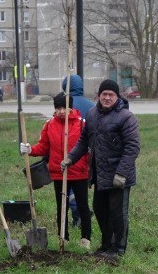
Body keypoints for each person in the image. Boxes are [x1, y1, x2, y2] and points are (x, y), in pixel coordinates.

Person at [64, 79, 140, 258]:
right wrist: (70, 158)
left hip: (119, 175)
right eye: (104, 94)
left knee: (118, 213)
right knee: (99, 209)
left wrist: (121, 173)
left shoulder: (126, 117)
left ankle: (119, 249)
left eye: (110, 95)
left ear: (117, 96)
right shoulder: (91, 114)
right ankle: (106, 245)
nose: (106, 98)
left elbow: (133, 147)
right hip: (100, 174)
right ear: (99, 95)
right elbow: (84, 141)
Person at [20, 92, 91, 250]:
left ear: (71, 107)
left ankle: (86, 238)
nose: (61, 111)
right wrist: (29, 149)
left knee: (82, 205)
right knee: (61, 205)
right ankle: (63, 237)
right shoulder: (49, 124)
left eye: (64, 107)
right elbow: (43, 147)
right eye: (57, 108)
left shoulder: (81, 124)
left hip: (79, 172)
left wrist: (85, 165)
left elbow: (87, 147)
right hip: (59, 172)